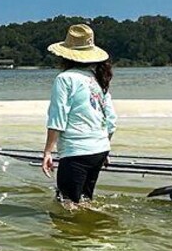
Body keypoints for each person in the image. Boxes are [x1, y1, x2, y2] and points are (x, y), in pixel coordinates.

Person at [41, 24, 117, 205]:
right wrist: (104, 145)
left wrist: (47, 152)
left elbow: (58, 118)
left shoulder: (65, 79)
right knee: (85, 201)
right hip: (99, 150)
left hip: (76, 151)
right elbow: (111, 120)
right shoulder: (96, 79)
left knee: (67, 204)